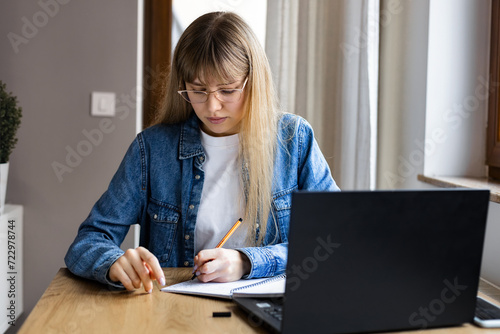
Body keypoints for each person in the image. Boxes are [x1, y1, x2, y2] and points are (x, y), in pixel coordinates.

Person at [65, 11, 339, 293]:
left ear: (253, 82)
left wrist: (247, 262)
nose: (212, 107)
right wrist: (114, 262)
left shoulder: (294, 139)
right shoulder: (152, 149)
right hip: (175, 312)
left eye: (228, 90)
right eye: (198, 90)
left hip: (276, 309)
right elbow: (88, 241)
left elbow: (336, 238)